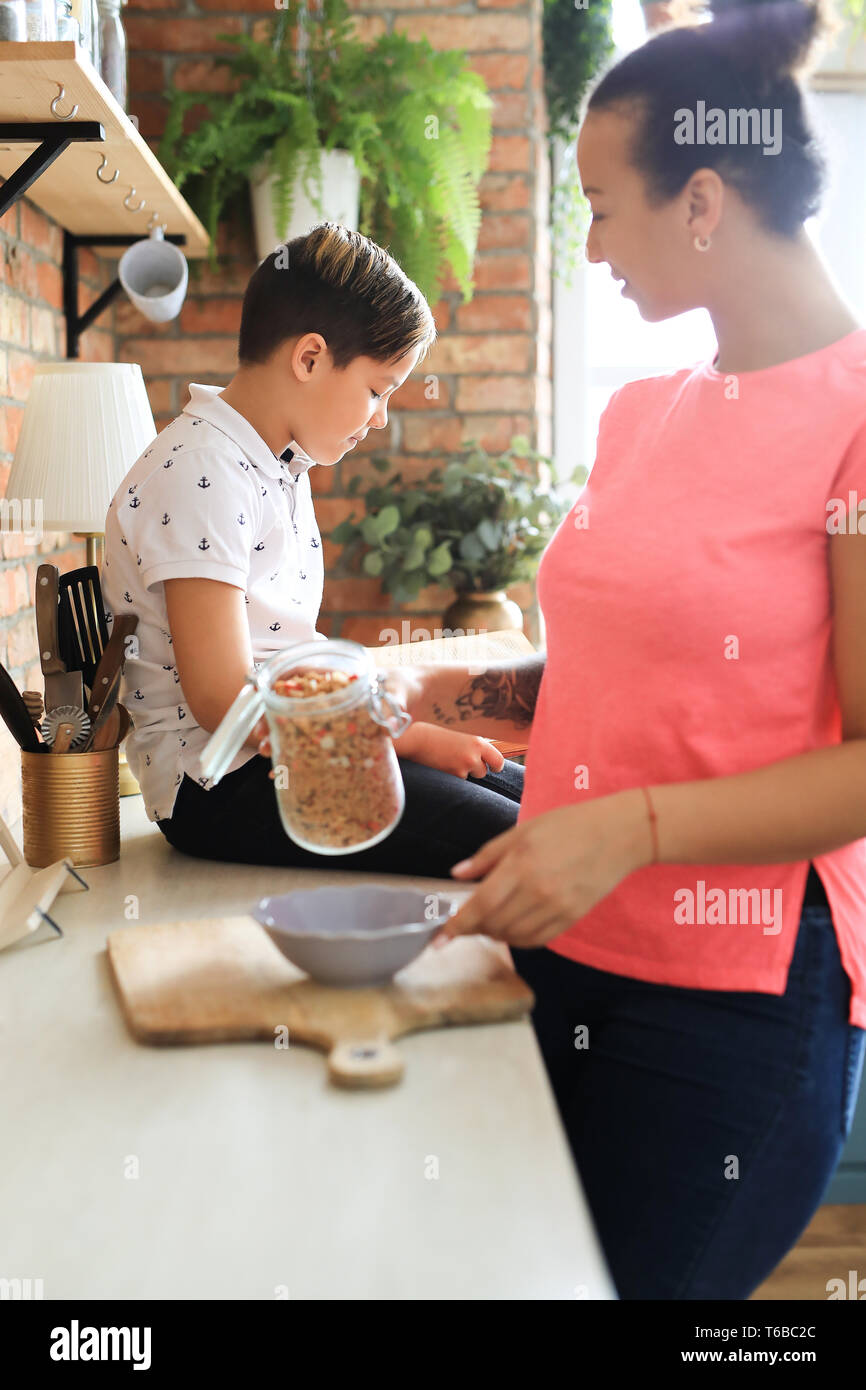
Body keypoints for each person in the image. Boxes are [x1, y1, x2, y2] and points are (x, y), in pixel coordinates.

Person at [382, 0, 866, 1299]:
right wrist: (435, 684)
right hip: (554, 950)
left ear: (700, 200)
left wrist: (630, 830)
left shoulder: (857, 418)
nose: (585, 244)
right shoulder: (641, 410)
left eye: (599, 204)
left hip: (727, 1008)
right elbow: (634, 669)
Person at [101, 224, 523, 876]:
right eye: (378, 389)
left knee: (547, 803)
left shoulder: (272, 464)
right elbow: (222, 699)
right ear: (310, 359)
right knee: (522, 836)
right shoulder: (198, 473)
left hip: (291, 749)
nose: (380, 417)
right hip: (221, 784)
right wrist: (406, 737)